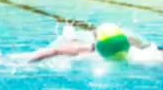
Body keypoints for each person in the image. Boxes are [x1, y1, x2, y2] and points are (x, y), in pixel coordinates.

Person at [23, 22, 155, 63]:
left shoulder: (88, 50)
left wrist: (27, 63)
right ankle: (70, 36)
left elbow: (53, 51)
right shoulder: (139, 54)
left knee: (72, 43)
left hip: (84, 48)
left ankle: (70, 36)